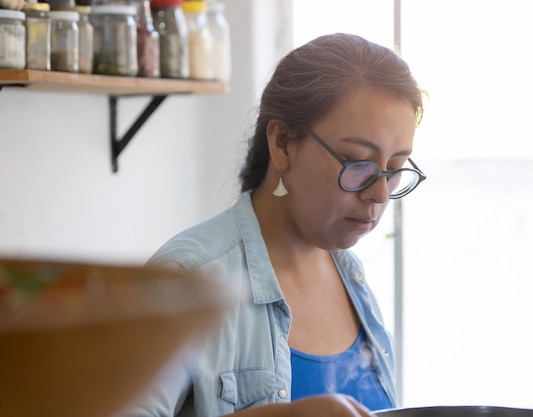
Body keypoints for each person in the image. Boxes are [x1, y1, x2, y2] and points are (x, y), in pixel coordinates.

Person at [125, 32, 426, 417]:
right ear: (283, 143)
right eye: (357, 162)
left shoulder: (353, 279)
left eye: (396, 168)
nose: (380, 194)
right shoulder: (187, 280)